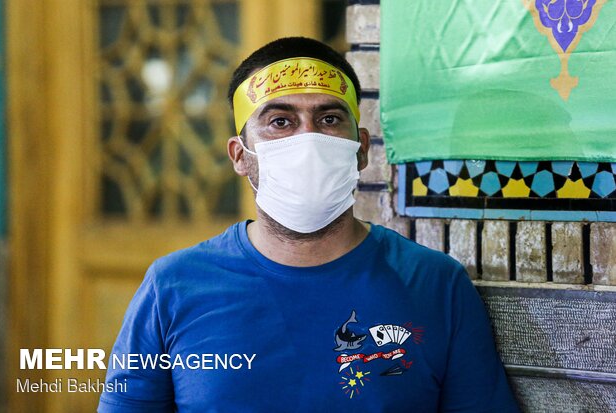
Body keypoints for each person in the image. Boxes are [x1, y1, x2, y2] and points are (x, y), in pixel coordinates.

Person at [98, 37, 519, 412]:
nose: (308, 139)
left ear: (361, 150)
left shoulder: (436, 284)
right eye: (280, 121)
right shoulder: (172, 287)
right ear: (240, 155)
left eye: (330, 119)